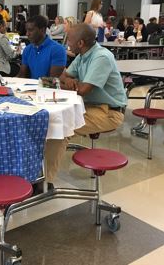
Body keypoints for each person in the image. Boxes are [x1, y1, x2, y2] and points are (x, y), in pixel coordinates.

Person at [44, 23, 127, 188]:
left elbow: (83, 90)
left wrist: (73, 82)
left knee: (61, 127)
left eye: (70, 40)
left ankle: (46, 182)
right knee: (55, 123)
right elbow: (62, 77)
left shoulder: (101, 57)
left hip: (109, 112)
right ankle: (40, 173)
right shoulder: (82, 56)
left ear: (80, 43)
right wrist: (69, 80)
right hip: (91, 107)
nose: (68, 44)